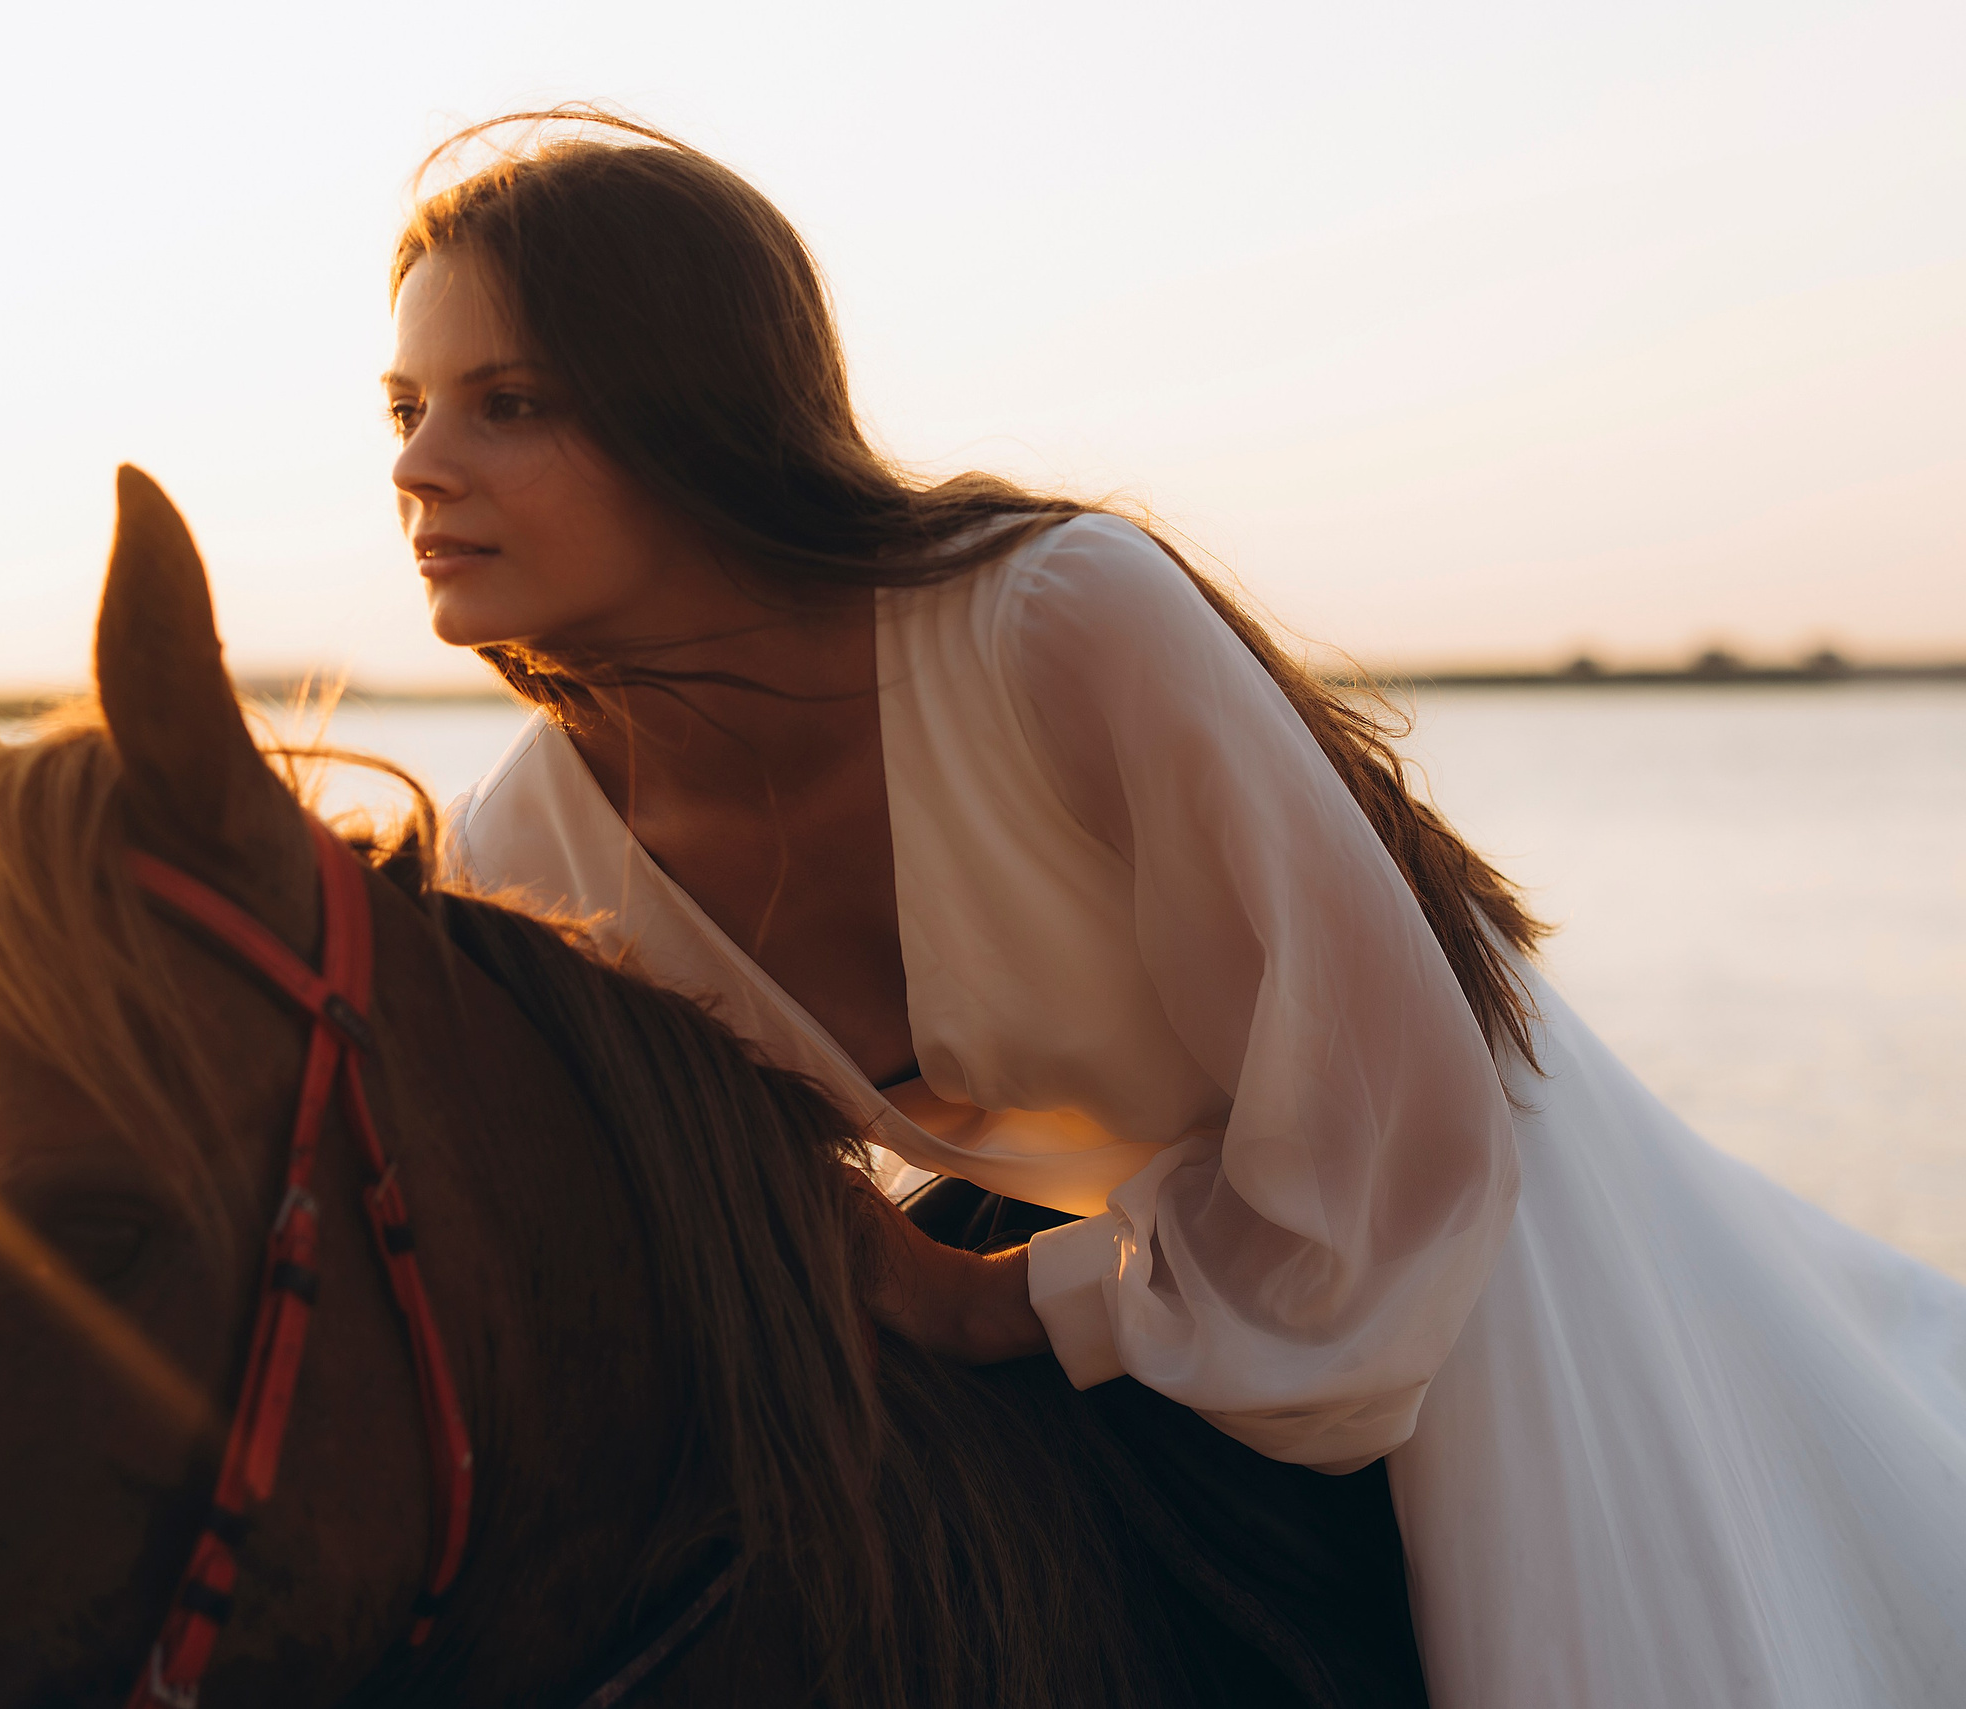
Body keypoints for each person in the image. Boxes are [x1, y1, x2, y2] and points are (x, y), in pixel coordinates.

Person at [389, 113, 1966, 1708]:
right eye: (403, 409)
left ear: (696, 402)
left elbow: (1387, 1164)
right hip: (1132, 1251)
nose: (414, 467)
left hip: (1449, 1222)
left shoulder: (1054, 620)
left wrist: (988, 1298)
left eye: (507, 403)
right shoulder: (531, 840)